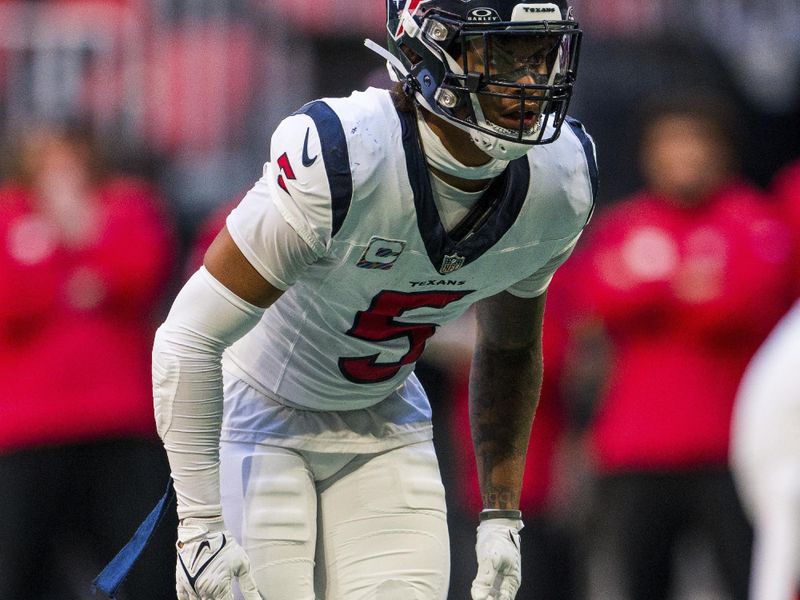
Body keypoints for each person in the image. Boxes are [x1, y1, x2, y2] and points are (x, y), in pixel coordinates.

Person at [152, 1, 596, 599]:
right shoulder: (347, 154)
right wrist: (199, 524)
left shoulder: (559, 179)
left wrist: (500, 514)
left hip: (386, 420)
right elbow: (189, 336)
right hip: (260, 416)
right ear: (431, 50)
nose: (531, 81)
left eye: (541, 55)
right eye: (505, 53)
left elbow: (511, 344)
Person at [569, 92, 794, 600]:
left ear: (723, 150)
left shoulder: (755, 219)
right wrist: (685, 281)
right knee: (638, 586)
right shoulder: (623, 224)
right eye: (670, 141)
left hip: (732, 450)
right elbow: (594, 297)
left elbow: (741, 302)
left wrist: (650, 283)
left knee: (753, 584)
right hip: (635, 453)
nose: (684, 154)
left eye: (696, 141)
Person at [0, 124, 177, 599]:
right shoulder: (7, 212)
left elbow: (139, 273)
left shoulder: (128, 204)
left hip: (119, 422)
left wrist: (72, 230)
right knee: (19, 572)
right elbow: (12, 299)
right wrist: (79, 271)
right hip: (28, 431)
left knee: (147, 570)